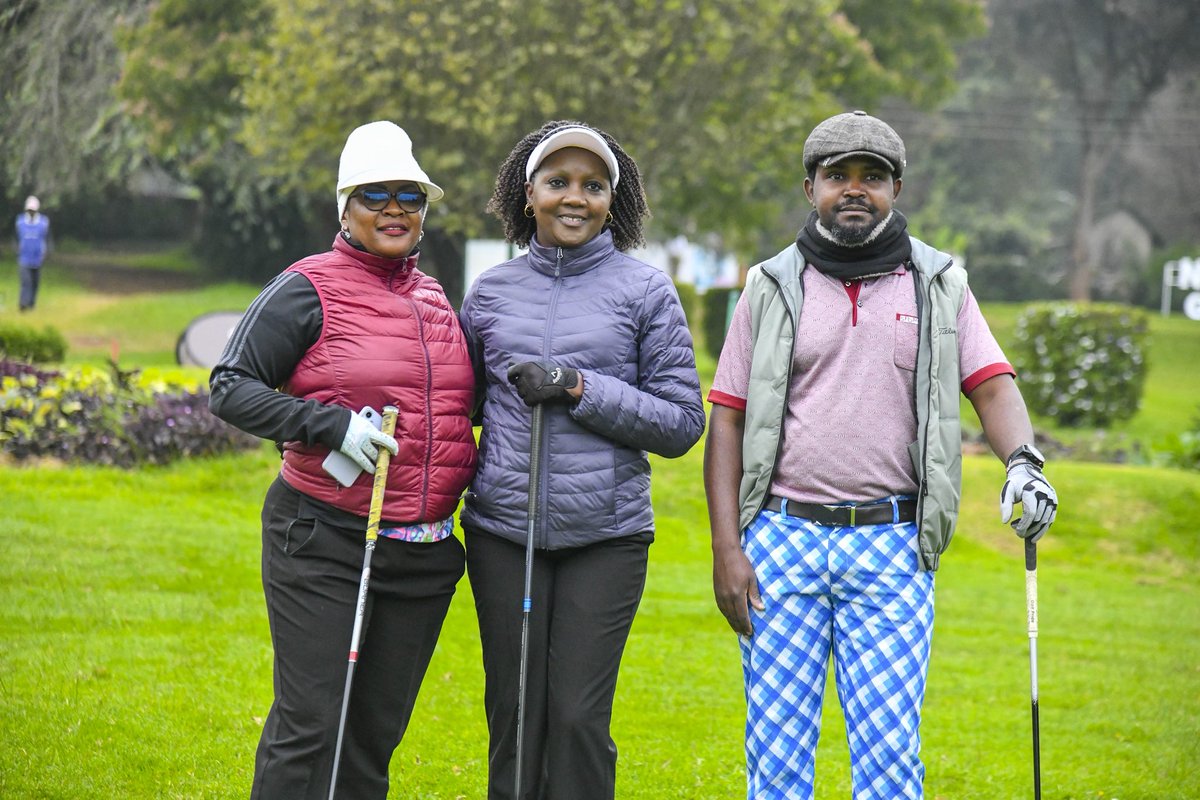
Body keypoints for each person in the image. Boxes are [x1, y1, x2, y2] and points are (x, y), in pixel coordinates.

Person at [703, 110, 1058, 800]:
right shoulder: (768, 287)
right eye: (838, 176)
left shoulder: (940, 284)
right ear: (811, 188)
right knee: (774, 764)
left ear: (897, 188)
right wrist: (726, 549)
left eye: (873, 176)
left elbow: (992, 385)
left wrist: (1025, 463)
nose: (855, 189)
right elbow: (728, 421)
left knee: (890, 760)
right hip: (781, 543)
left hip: (893, 547)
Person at [208, 120, 477, 800]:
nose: (395, 208)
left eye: (409, 196)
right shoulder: (307, 286)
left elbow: (455, 410)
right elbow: (231, 386)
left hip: (422, 555)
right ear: (345, 209)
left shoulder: (436, 299)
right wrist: (327, 426)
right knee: (310, 726)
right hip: (324, 536)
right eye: (375, 194)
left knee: (370, 742)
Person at [459, 120, 706, 799]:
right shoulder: (489, 293)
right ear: (527, 193)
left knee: (575, 718)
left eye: (593, 186)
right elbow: (462, 407)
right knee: (514, 711)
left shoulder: (645, 291)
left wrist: (579, 388)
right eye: (559, 182)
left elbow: (683, 422)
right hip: (505, 533)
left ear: (611, 201)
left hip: (607, 535)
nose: (576, 197)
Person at [15, 195, 50, 311]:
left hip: (37, 257)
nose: (31, 212)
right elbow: (17, 239)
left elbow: (45, 239)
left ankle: (31, 304)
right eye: (29, 210)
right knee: (26, 281)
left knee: (35, 283)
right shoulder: (20, 222)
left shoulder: (43, 222)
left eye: (33, 210)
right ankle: (23, 304)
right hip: (24, 257)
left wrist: (44, 252)